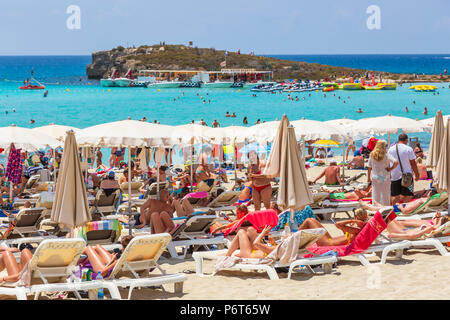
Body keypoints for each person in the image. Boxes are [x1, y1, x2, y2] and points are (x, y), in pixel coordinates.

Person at [296, 208, 369, 246]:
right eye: (363, 219)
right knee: (312, 220)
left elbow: (338, 224)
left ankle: (293, 237)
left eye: (365, 220)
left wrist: (352, 221)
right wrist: (354, 222)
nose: (363, 222)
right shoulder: (356, 228)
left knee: (309, 221)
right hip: (330, 239)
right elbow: (339, 226)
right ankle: (294, 237)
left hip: (327, 243)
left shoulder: (357, 230)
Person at [388, 133, 420, 204]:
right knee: (408, 195)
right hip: (407, 176)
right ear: (406, 140)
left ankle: (394, 210)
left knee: (394, 195)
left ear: (398, 140)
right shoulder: (408, 149)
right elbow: (413, 163)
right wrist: (417, 175)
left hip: (394, 175)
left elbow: (388, 163)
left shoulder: (390, 149)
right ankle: (404, 208)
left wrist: (389, 173)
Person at [368, 140, 398, 206]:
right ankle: (385, 207)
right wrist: (390, 169)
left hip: (375, 177)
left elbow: (369, 167)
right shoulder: (386, 155)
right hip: (385, 177)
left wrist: (368, 178)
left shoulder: (372, 154)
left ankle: (375, 208)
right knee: (386, 194)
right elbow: (396, 162)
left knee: (376, 194)